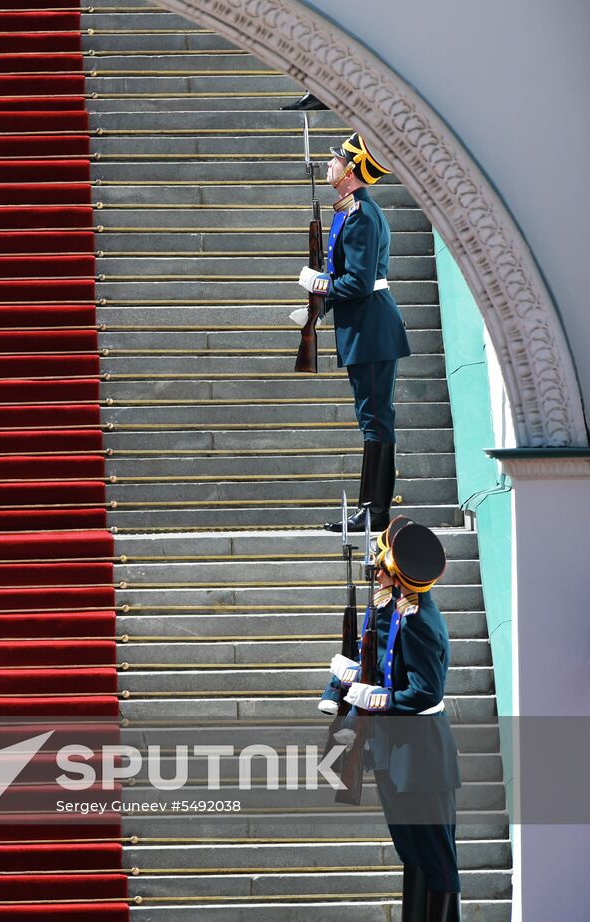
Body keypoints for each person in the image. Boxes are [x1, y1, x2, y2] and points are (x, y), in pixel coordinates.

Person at [320, 517, 461, 920]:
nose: (375, 571)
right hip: (394, 752)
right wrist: (349, 680)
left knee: (438, 861)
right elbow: (379, 664)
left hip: (421, 756)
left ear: (399, 578)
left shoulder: (418, 621)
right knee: (412, 853)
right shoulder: (394, 609)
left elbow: (425, 692)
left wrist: (378, 699)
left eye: (381, 567)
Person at [289, 130, 411, 532]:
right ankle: (370, 508)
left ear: (350, 172)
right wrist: (317, 306)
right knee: (371, 419)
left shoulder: (361, 215)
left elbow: (358, 283)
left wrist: (318, 285)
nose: (329, 164)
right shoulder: (350, 210)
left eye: (336, 160)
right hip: (365, 327)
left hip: (372, 329)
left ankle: (375, 512)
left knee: (376, 420)